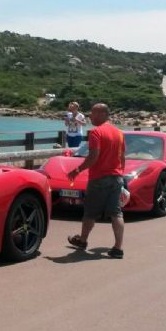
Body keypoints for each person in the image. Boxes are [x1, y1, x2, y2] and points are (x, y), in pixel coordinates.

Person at [66, 103, 126, 259]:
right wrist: (121, 175)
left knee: (90, 212)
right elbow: (122, 157)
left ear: (101, 114)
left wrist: (77, 170)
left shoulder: (96, 133)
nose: (90, 116)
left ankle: (83, 240)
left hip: (99, 178)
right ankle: (118, 248)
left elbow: (93, 157)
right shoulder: (119, 133)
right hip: (116, 177)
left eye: (92, 113)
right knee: (116, 213)